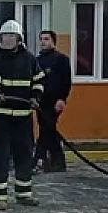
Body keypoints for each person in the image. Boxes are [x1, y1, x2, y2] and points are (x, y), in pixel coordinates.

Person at [0, 20, 44, 210]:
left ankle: (24, 193)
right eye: (4, 36)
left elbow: (39, 81)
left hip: (23, 116)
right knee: (1, 156)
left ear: (19, 39)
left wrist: (36, 97)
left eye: (11, 36)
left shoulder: (30, 59)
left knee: (24, 153)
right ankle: (0, 196)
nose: (7, 40)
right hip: (1, 116)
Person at [33, 30, 72, 173]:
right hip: (40, 101)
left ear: (53, 41)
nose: (43, 42)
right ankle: (57, 161)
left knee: (46, 130)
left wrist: (62, 99)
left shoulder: (61, 59)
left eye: (46, 39)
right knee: (48, 130)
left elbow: (66, 81)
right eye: (41, 39)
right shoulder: (36, 61)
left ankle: (38, 160)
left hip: (54, 102)